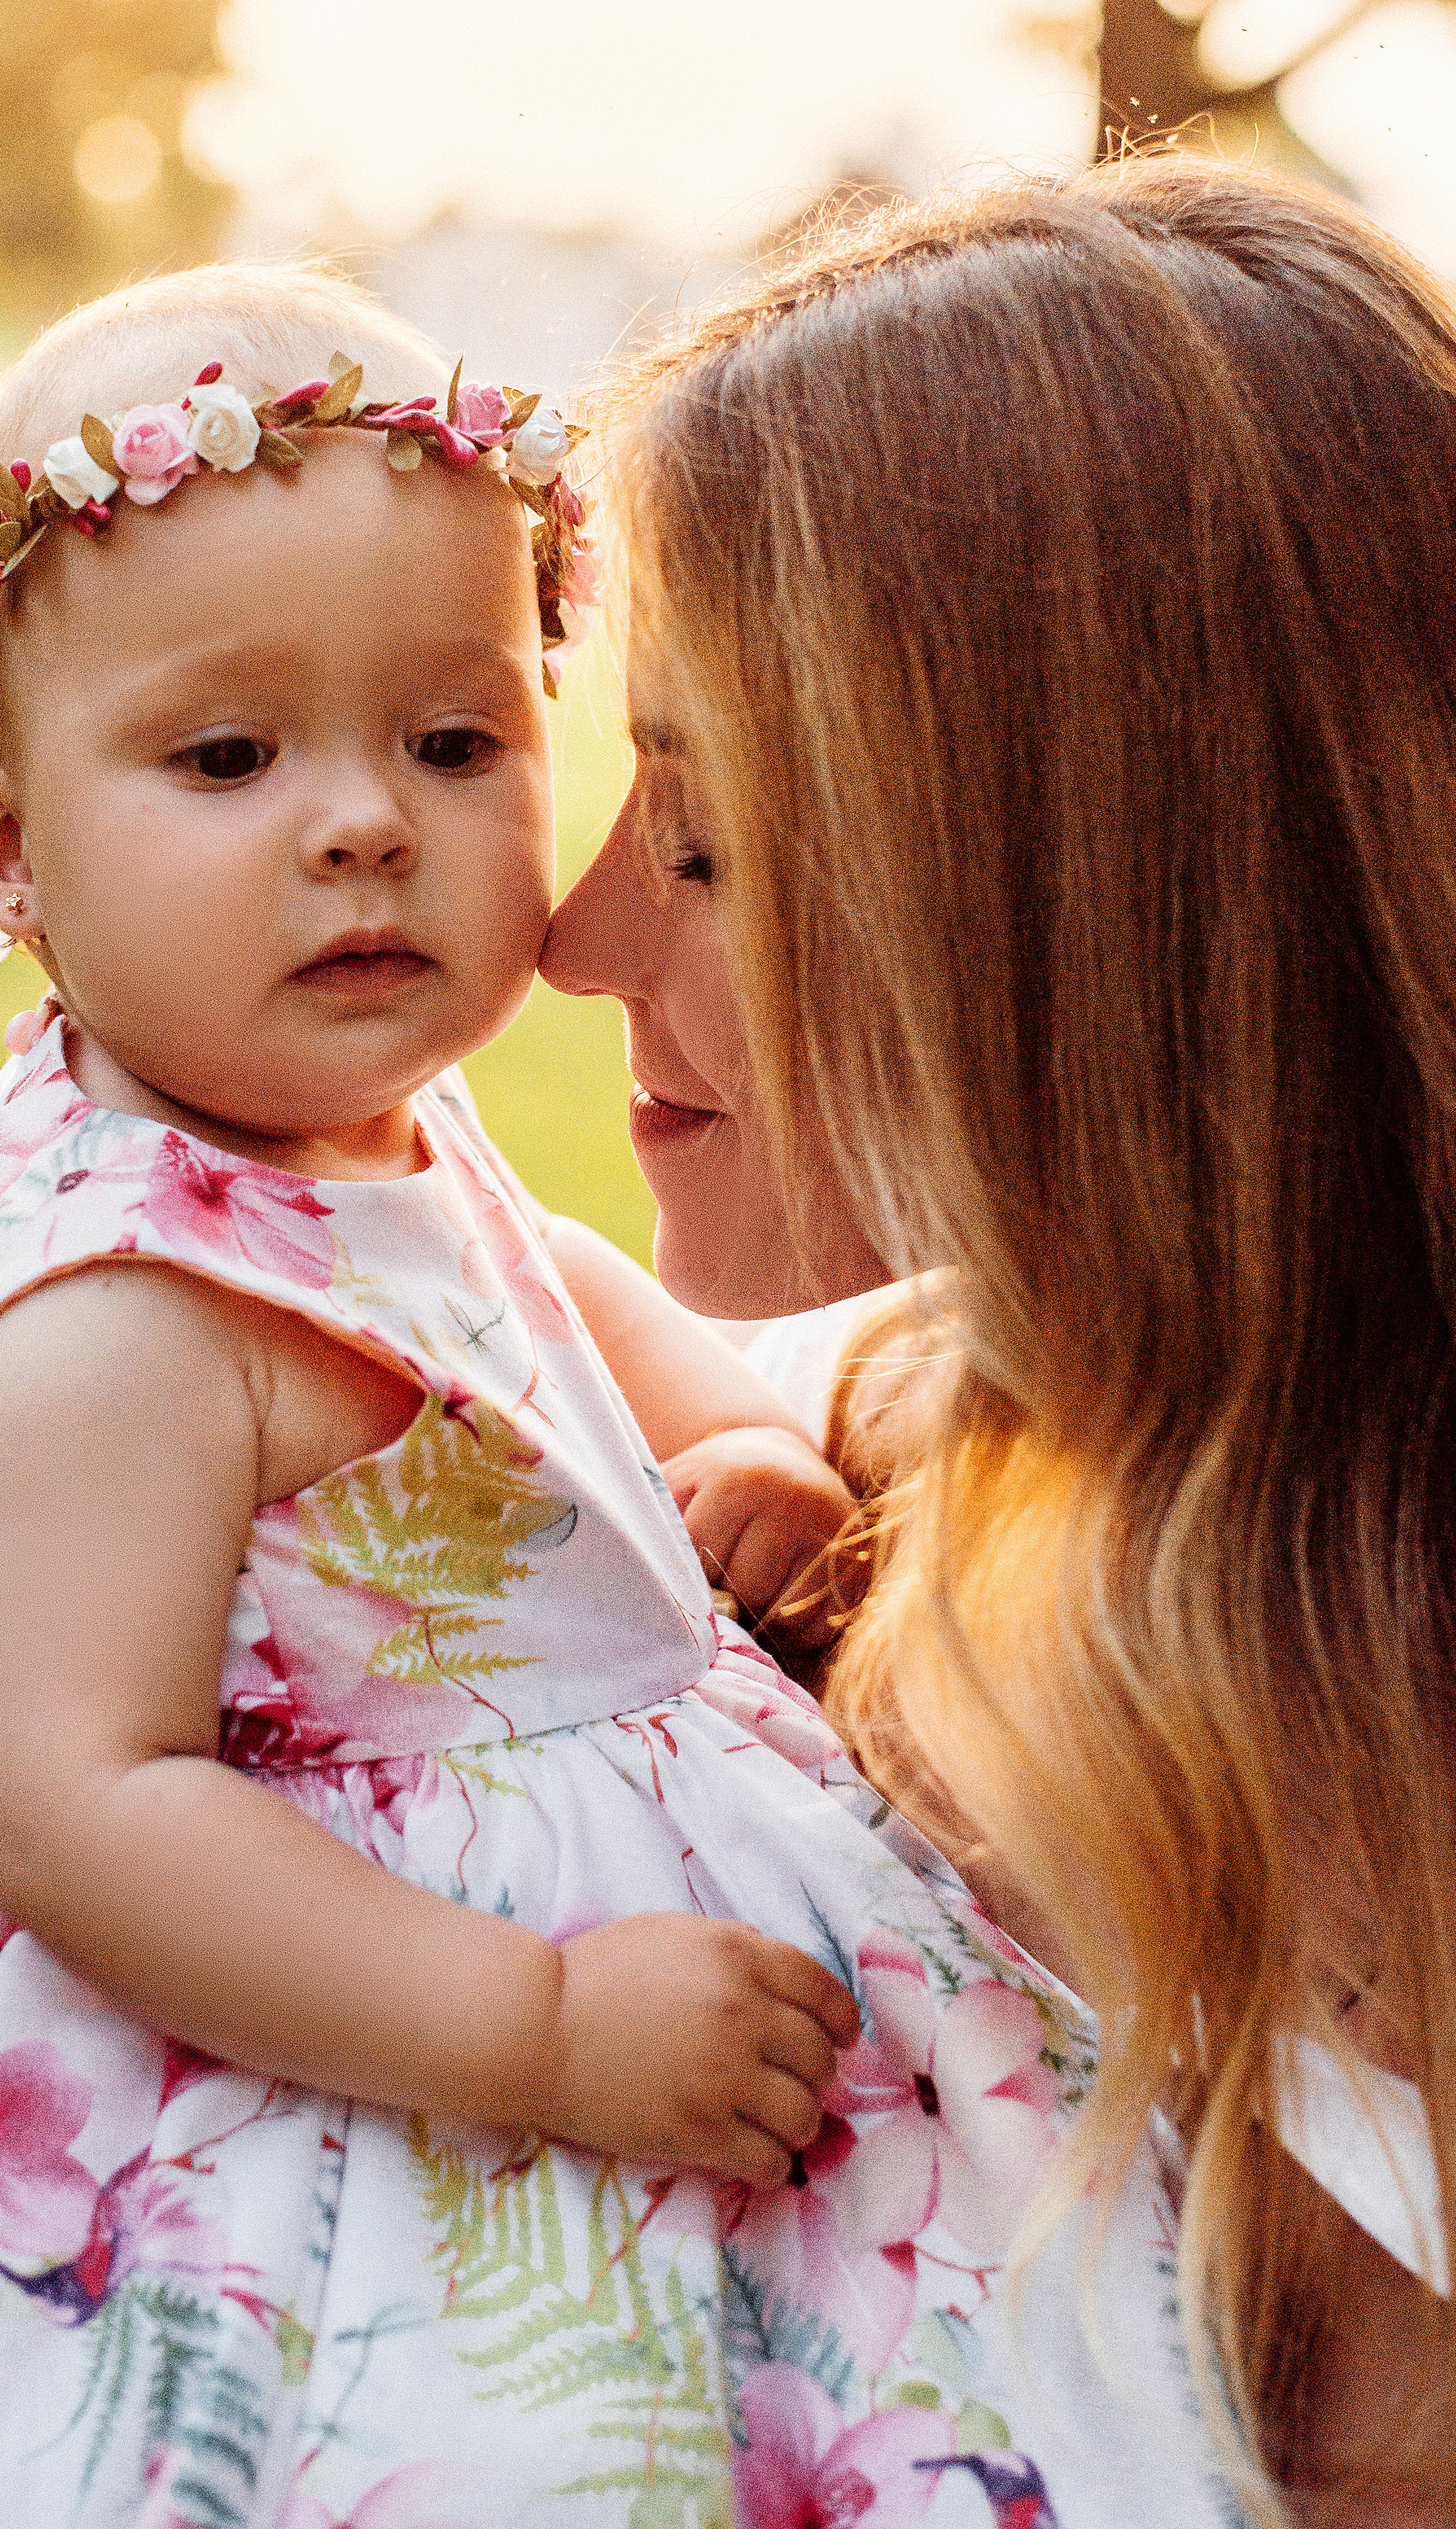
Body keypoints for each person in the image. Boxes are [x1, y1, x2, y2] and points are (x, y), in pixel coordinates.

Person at [0, 262, 1227, 2526]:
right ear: (0, 848)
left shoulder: (371, 1133)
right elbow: (82, 1804)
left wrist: (724, 1450)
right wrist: (528, 2031)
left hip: (625, 1890)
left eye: (453, 742)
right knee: (541, 2424)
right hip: (359, 1989)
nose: (365, 824)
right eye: (230, 757)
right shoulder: (122, 1316)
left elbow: (558, 1326)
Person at [541, 156, 1456, 2525]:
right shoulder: (907, 1457)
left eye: (711, 839)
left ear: (1079, 905)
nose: (567, 937)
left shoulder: (1361, 1925)